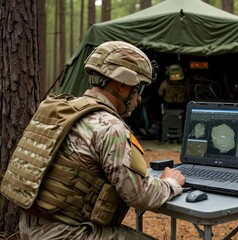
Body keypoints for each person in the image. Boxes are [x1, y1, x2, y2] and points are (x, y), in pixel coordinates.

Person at [0, 41, 185, 239]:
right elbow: (140, 196)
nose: (138, 99)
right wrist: (170, 183)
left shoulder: (64, 109)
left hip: (30, 228)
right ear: (122, 85)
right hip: (67, 234)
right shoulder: (110, 127)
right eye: (138, 89)